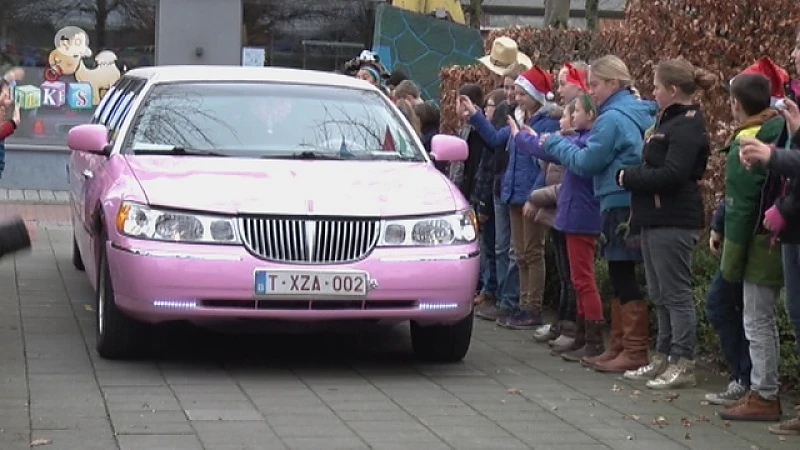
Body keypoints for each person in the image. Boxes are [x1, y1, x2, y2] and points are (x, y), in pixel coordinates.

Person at [542, 55, 657, 368]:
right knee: (623, 273)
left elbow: (587, 162)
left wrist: (556, 144)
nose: (589, 91)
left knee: (621, 273)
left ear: (613, 83)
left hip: (617, 199)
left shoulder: (610, 118)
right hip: (631, 199)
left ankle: (630, 350)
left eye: (594, 84)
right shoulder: (640, 112)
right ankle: (620, 347)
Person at [616, 58, 716, 389]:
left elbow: (674, 174)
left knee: (676, 294)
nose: (653, 93)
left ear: (672, 90)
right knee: (659, 293)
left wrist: (629, 177)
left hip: (674, 219)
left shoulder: (686, 125)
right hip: (655, 218)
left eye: (657, 87)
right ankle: (663, 355)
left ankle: (683, 360)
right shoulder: (668, 121)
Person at [459, 65, 561, 328]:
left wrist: (535, 195)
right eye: (515, 92)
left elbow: (545, 163)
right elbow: (495, 139)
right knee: (520, 253)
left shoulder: (547, 122)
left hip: (530, 194)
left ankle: (531, 306)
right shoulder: (516, 118)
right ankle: (520, 305)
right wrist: (475, 116)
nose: (516, 97)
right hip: (514, 193)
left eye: (521, 93)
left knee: (531, 252)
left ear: (536, 95)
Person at [714, 71, 785, 422]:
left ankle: (763, 392)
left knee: (757, 319)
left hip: (759, 241)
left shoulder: (748, 139)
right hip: (773, 237)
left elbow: (741, 204)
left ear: (735, 104)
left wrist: (731, 257)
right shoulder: (777, 128)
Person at [513, 94, 603, 359]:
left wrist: (539, 140)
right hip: (572, 215)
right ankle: (583, 335)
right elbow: (547, 149)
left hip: (581, 217)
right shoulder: (577, 140)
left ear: (591, 115)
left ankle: (593, 339)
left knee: (583, 279)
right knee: (577, 278)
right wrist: (521, 137)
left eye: (576, 112)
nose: (572, 116)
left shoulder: (587, 143)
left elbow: (562, 151)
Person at [739, 66, 800, 436]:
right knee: (796, 317)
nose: (795, 53)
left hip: (793, 222)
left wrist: (771, 156)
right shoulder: (791, 107)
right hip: (793, 233)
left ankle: (764, 393)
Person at [533, 61, 589, 346]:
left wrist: (537, 198)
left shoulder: (576, 139)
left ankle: (575, 329)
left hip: (573, 211)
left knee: (576, 275)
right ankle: (564, 324)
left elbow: (568, 176)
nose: (559, 88)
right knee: (567, 271)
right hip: (563, 209)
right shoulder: (564, 136)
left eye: (564, 82)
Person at [702, 199, 750, 405]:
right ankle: (741, 377)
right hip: (736, 233)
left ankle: (746, 380)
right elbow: (735, 188)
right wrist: (718, 223)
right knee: (728, 306)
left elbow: (746, 190)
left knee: (747, 311)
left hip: (750, 235)